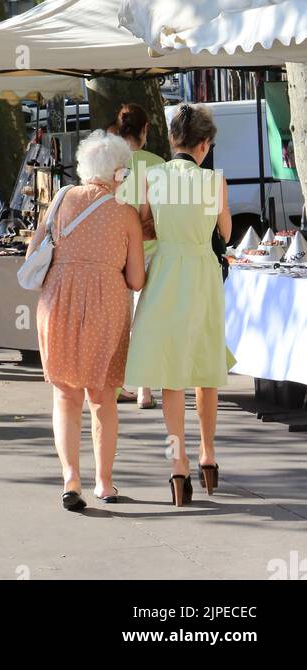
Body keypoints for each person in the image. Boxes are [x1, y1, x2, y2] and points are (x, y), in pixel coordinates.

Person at [27, 129, 145, 510]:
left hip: (58, 301)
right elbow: (137, 279)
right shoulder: (125, 214)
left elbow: (34, 250)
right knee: (103, 398)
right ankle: (105, 482)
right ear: (117, 173)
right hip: (105, 305)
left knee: (65, 395)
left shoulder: (60, 199)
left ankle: (70, 479)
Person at [123, 103, 232, 507]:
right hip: (202, 272)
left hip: (166, 270)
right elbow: (225, 230)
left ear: (172, 140)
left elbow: (143, 221)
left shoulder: (153, 177)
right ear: (204, 144)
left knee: (171, 375)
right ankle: (208, 454)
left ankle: (178, 466)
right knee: (205, 367)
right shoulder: (214, 182)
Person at [112, 103, 163, 410]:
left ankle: (117, 383)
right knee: (145, 322)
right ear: (145, 129)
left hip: (116, 252)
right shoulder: (158, 164)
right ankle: (145, 388)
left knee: (118, 322)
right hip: (150, 252)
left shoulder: (111, 163)